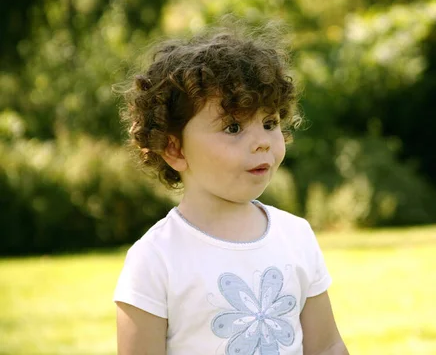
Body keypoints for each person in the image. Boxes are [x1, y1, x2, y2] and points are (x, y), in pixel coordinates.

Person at [113, 20, 349, 355]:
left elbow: (327, 346)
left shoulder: (296, 237)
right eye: (234, 126)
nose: (262, 142)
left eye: (270, 123)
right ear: (175, 149)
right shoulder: (154, 260)